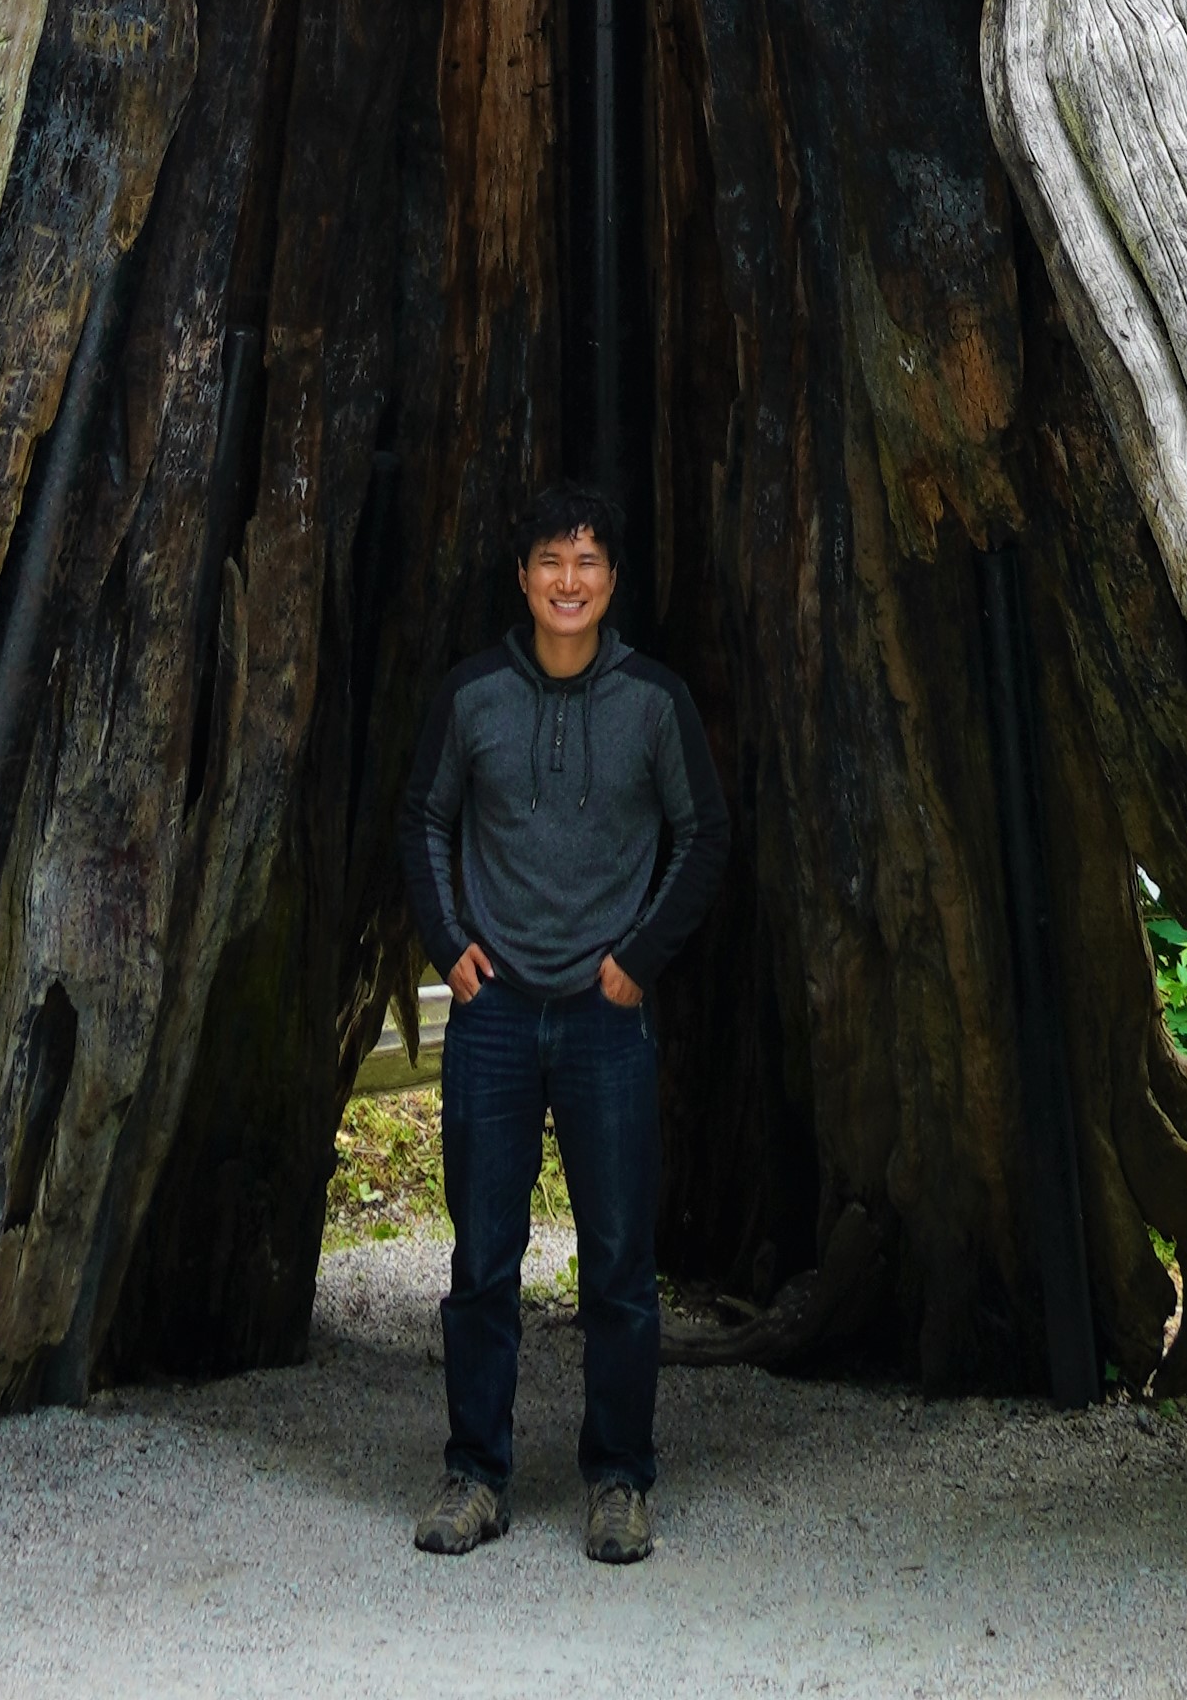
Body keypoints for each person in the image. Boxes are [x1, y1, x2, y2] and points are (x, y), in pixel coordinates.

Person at [396, 476, 730, 1565]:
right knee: (483, 1259)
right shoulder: (473, 696)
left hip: (602, 1021)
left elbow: (703, 836)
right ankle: (475, 1475)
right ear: (526, 577)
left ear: (611, 580)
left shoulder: (653, 704)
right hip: (494, 1022)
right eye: (551, 560)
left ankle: (619, 1480)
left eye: (587, 561)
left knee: (620, 1264)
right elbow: (425, 819)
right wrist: (453, 950)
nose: (568, 581)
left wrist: (635, 961)